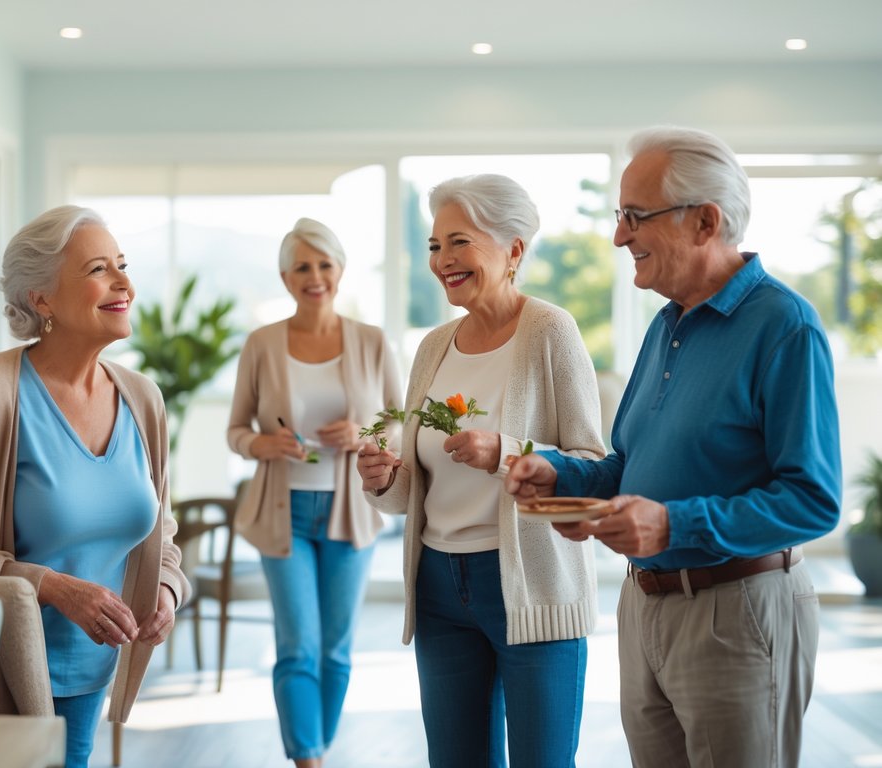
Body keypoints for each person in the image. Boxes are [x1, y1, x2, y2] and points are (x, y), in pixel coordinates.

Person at [505, 126, 841, 768]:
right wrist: (560, 476)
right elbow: (630, 468)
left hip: (737, 609)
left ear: (705, 222)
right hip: (646, 608)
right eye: (618, 215)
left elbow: (813, 500)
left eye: (635, 216)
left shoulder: (784, 326)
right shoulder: (667, 324)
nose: (618, 236)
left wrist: (673, 523)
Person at [0, 205, 190, 768]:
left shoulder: (142, 400)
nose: (123, 282)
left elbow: (160, 534)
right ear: (42, 299)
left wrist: (166, 590)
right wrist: (48, 586)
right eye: (99, 269)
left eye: (122, 265)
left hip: (93, 675)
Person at [357, 175, 605, 767]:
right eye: (435, 245)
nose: (442, 260)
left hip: (531, 586)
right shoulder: (433, 346)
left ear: (514, 250)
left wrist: (508, 453)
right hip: (440, 588)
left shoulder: (551, 331)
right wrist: (385, 480)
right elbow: (415, 487)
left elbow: (594, 468)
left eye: (459, 242)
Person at [228, 217, 402, 768]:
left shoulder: (372, 342)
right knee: (298, 645)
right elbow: (236, 431)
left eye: (324, 264)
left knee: (336, 650)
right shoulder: (262, 344)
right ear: (285, 276)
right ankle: (309, 758)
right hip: (284, 515)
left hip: (353, 512)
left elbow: (401, 423)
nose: (314, 276)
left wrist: (364, 433)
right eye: (302, 266)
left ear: (340, 271)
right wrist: (265, 445)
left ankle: (315, 746)